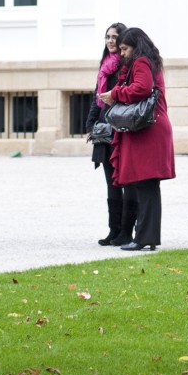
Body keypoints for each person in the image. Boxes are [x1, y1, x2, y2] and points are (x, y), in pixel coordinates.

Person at [101, 27, 175, 251]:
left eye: (125, 48)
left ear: (135, 46)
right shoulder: (149, 60)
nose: (122, 53)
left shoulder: (141, 61)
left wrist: (115, 94)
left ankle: (145, 238)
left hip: (149, 131)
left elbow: (142, 88)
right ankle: (147, 237)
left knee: (146, 184)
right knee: (148, 185)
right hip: (153, 128)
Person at [84, 22, 138, 246]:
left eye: (115, 37)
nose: (110, 41)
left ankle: (126, 231)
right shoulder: (105, 67)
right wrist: (90, 125)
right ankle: (113, 231)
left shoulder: (126, 66)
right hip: (104, 132)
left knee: (125, 182)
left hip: (121, 132)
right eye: (107, 37)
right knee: (111, 183)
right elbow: (98, 98)